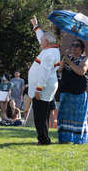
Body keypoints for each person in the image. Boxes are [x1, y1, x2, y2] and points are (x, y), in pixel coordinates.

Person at [28, 16, 60, 145]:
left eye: (42, 41)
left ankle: (43, 140)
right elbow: (41, 37)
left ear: (46, 42)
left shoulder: (48, 53)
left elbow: (44, 72)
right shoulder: (50, 49)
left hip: (43, 87)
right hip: (47, 86)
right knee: (43, 114)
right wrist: (36, 26)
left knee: (40, 115)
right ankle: (44, 138)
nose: (40, 43)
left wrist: (39, 88)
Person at [57, 39, 88, 144]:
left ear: (81, 49)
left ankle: (78, 140)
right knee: (64, 115)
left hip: (79, 91)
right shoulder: (67, 58)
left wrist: (70, 62)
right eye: (73, 45)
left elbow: (81, 71)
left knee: (78, 116)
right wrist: (64, 59)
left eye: (77, 45)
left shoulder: (86, 59)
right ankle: (65, 139)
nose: (74, 47)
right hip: (66, 90)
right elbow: (59, 69)